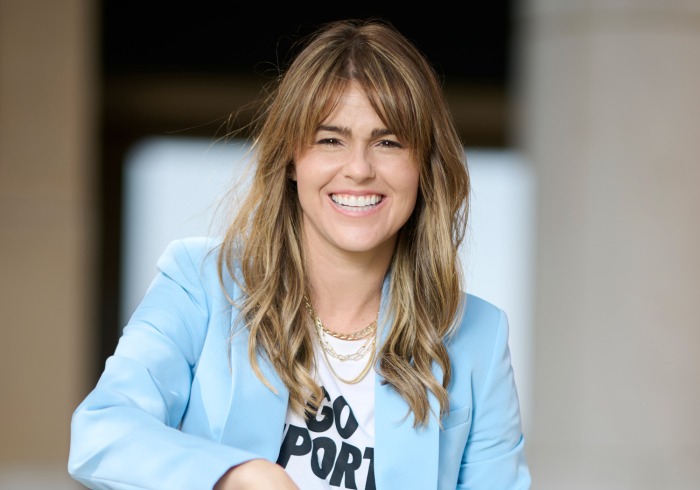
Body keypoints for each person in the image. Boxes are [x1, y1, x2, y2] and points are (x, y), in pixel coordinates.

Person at [68, 18, 531, 489]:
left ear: (423, 167)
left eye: (388, 142)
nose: (358, 169)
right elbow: (101, 435)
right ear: (292, 159)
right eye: (331, 140)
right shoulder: (200, 284)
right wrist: (238, 476)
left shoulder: (478, 337)